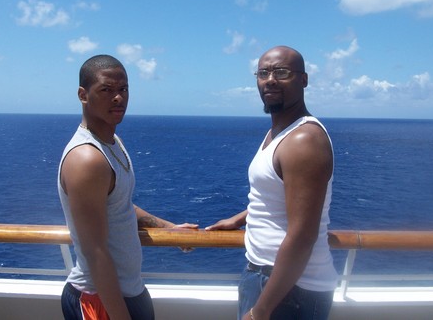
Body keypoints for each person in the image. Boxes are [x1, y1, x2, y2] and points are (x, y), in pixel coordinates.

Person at [58, 54, 197, 320]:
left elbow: (119, 206)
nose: (118, 97)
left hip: (126, 292)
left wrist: (169, 228)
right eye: (106, 90)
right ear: (83, 95)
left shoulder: (113, 143)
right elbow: (95, 253)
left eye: (123, 89)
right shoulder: (87, 158)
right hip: (99, 300)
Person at [206, 46, 337, 320]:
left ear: (304, 80)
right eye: (263, 73)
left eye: (282, 72)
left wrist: (261, 310)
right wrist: (240, 219)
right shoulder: (279, 133)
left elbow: (303, 236)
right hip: (270, 279)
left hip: (290, 290)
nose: (270, 80)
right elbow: (278, 195)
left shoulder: (303, 140)